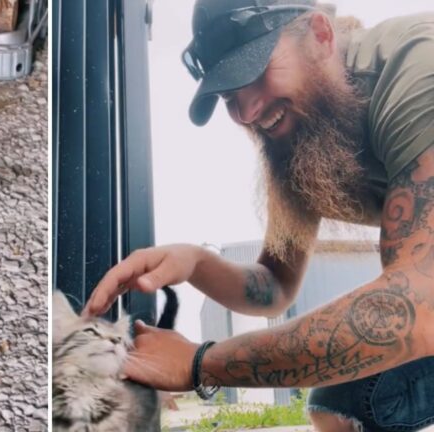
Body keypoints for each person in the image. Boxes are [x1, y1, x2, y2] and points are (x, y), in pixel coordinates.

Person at [82, 0, 434, 431]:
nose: (246, 113)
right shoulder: (302, 138)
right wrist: (194, 261)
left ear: (321, 35)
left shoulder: (416, 68)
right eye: (230, 95)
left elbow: (417, 305)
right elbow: (275, 286)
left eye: (254, 72)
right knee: (346, 404)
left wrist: (201, 363)